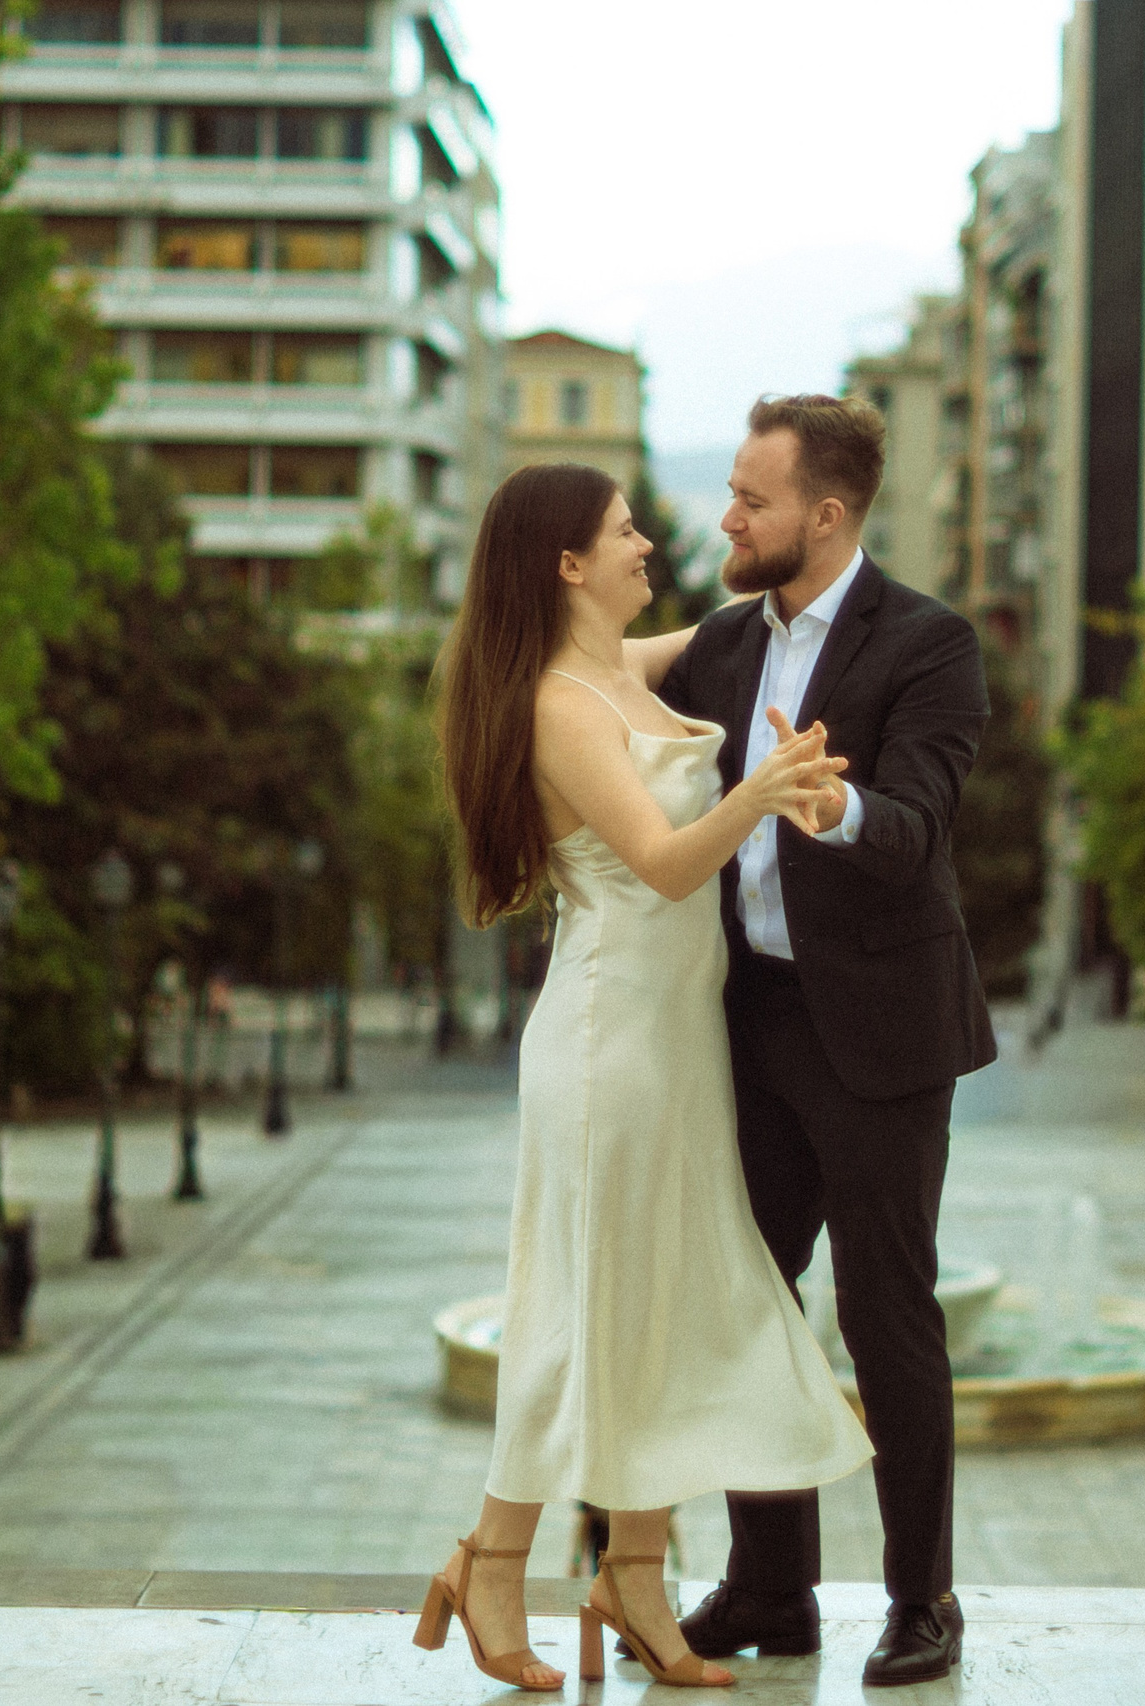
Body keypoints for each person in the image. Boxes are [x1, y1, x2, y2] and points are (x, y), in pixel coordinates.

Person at [418, 460, 874, 1693]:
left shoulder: (623, 668)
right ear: (567, 563)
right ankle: (491, 1560)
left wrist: (808, 544)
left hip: (677, 1045)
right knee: (576, 1307)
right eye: (625, 532)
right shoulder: (558, 704)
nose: (647, 546)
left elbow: (742, 623)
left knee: (659, 1304)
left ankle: (632, 1570)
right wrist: (763, 792)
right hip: (605, 1042)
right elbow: (666, 864)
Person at [655, 394, 994, 1688]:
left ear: (829, 515)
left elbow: (918, 825)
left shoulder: (931, 644)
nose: (728, 521)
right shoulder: (722, 643)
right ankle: (771, 1585)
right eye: (731, 495)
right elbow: (601, 680)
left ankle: (923, 1600)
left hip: (883, 1034)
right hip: (750, 1023)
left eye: (753, 501)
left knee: (886, 1314)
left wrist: (832, 801)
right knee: (744, 1302)